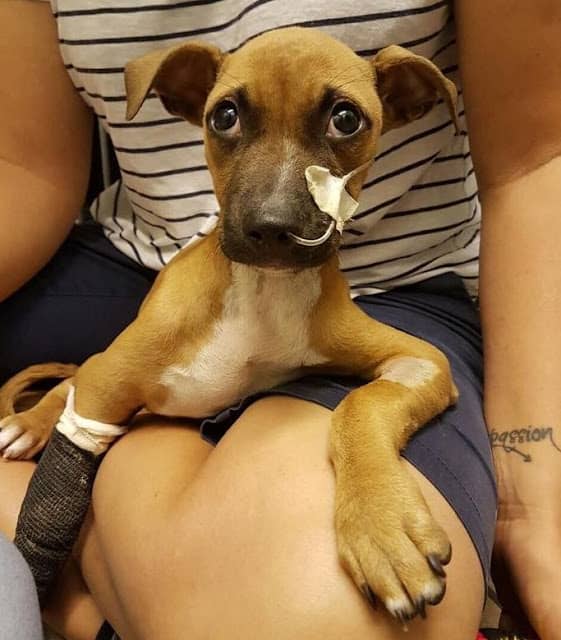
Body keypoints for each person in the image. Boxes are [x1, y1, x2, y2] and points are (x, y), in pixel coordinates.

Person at [0, 1, 559, 639]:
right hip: (126, 262)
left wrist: (521, 500)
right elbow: (24, 166)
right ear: (186, 98)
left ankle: (84, 575)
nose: (271, 208)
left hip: (394, 284)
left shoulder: (335, 313)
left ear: (406, 102)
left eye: (344, 121)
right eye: (228, 118)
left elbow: (535, 165)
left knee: (328, 614)